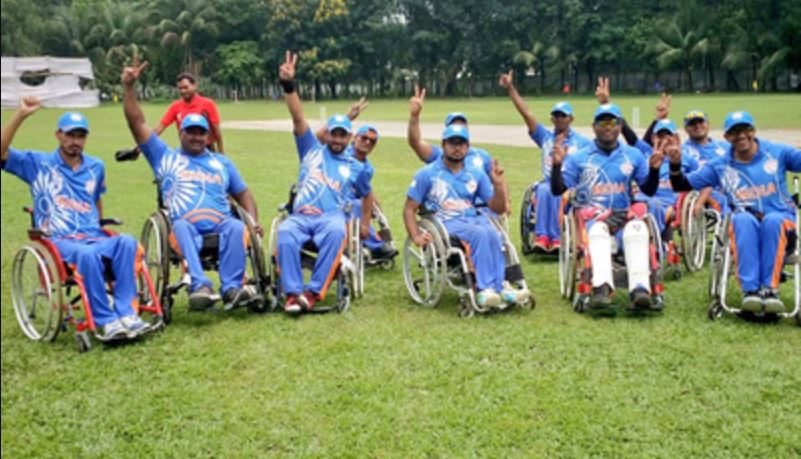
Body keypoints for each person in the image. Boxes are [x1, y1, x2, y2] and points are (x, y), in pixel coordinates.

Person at [1, 98, 152, 340]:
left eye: (81, 136)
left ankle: (127, 313)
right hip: (59, 239)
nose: (75, 141)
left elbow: (95, 198)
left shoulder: (95, 166)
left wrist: (98, 225)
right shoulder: (38, 164)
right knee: (87, 254)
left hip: (92, 235)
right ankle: (106, 320)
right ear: (58, 135)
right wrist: (20, 114)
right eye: (70, 135)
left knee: (127, 242)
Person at [121, 57, 261, 312]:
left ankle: (232, 289)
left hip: (221, 223)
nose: (196, 137)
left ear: (208, 136)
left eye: (201, 132)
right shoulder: (165, 157)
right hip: (184, 227)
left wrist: (252, 221)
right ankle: (200, 286)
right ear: (180, 133)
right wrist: (129, 88)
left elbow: (243, 193)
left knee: (236, 226)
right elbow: (137, 123)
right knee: (183, 226)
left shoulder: (221, 162)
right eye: (191, 132)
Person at [668, 111, 801, 313]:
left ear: (754, 130)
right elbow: (681, 185)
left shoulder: (778, 152)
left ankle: (770, 290)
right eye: (734, 132)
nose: (741, 135)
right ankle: (751, 292)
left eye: (745, 129)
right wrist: (675, 164)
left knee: (772, 221)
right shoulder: (720, 165)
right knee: (742, 220)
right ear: (727, 137)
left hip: (782, 224)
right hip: (744, 226)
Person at [276, 51, 373, 314]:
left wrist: (365, 223)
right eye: (334, 134)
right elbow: (298, 118)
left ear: (350, 138)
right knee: (285, 233)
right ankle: (293, 294)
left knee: (336, 232)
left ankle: (312, 293)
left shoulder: (357, 167)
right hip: (301, 215)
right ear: (326, 134)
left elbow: (367, 195)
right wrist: (288, 85)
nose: (338, 140)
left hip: (331, 217)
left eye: (343, 135)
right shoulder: (310, 150)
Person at [404, 124, 530, 308]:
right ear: (443, 145)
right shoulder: (427, 174)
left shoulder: (476, 174)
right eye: (452, 143)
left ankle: (502, 285)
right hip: (445, 221)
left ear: (468, 147)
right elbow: (409, 209)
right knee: (480, 233)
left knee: (494, 232)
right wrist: (415, 235)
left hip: (472, 218)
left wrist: (498, 186)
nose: (457, 148)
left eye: (461, 143)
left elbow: (497, 208)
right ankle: (485, 289)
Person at [550, 103, 662, 309]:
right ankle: (601, 288)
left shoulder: (633, 155)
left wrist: (654, 170)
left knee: (637, 228)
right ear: (594, 127)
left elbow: (648, 189)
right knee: (598, 231)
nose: (608, 127)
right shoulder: (579, 157)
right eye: (602, 122)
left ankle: (640, 289)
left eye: (613, 122)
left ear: (620, 126)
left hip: (623, 216)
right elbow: (558, 190)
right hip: (591, 218)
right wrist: (556, 165)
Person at [499, 70, 592, 251]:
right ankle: (542, 238)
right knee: (543, 189)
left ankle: (556, 238)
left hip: (570, 186)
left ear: (571, 119)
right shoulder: (546, 137)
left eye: (563, 116)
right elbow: (527, 114)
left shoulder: (581, 142)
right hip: (548, 183)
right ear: (552, 118)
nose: (559, 119)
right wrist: (510, 88)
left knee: (558, 192)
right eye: (556, 116)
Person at [314, 100, 397, 262]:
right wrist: (348, 118)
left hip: (350, 202)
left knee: (365, 205)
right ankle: (375, 245)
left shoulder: (367, 168)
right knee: (357, 206)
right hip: (331, 198)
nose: (367, 142)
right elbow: (319, 138)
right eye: (364, 138)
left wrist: (374, 203)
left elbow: (364, 190)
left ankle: (371, 241)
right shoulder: (339, 150)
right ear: (354, 138)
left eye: (372, 141)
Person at [406, 85, 510, 214]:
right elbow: (415, 142)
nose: (459, 129)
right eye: (454, 125)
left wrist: (507, 201)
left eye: (462, 125)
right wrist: (414, 117)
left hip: (483, 208)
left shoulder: (482, 155)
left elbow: (498, 178)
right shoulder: (440, 154)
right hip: (451, 210)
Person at [156, 72, 224, 153]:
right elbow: (160, 127)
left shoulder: (208, 104)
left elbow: (217, 131)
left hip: (206, 150)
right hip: (186, 150)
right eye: (180, 88)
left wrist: (221, 153)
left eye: (186, 87)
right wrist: (146, 142)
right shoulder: (175, 106)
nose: (183, 91)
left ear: (194, 86)